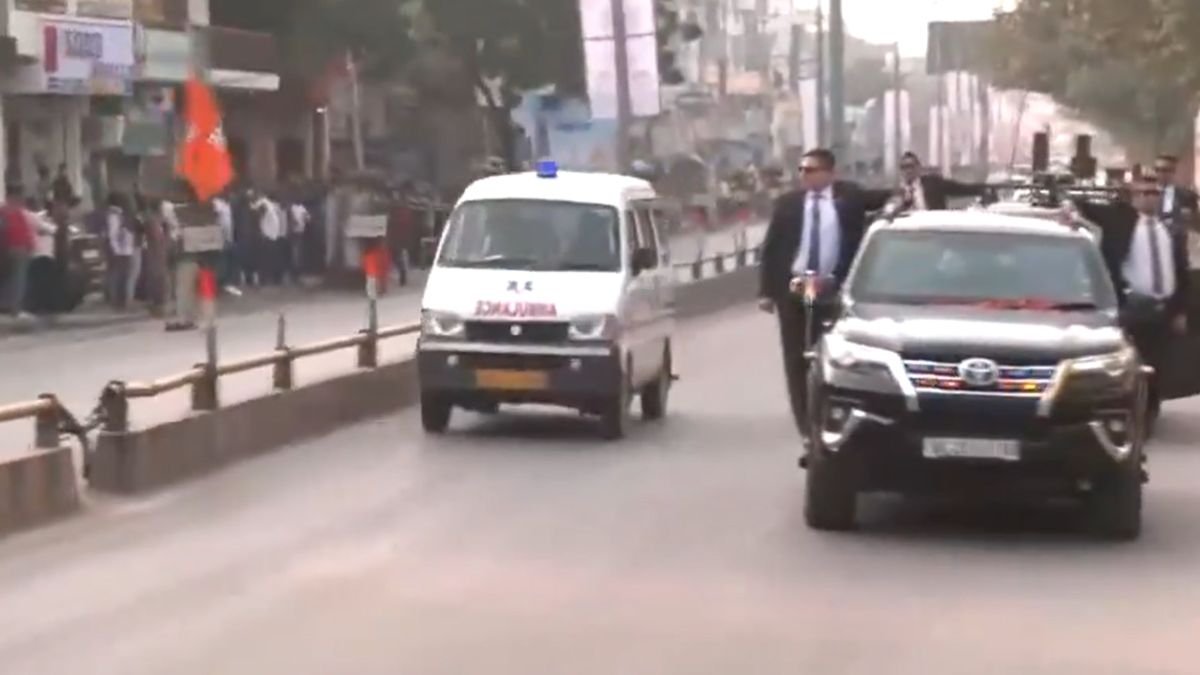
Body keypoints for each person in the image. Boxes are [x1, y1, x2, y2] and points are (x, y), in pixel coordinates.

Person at [758, 148, 891, 434]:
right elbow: (771, 249)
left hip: (831, 287)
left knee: (828, 351)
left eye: (812, 170)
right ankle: (805, 425)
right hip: (797, 286)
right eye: (802, 170)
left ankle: (828, 413)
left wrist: (910, 191)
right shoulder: (788, 204)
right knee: (796, 355)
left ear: (830, 174)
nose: (805, 175)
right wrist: (767, 291)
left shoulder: (849, 199)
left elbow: (889, 198)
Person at [1069, 176, 1189, 422]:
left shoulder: (1169, 230)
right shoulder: (1122, 222)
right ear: (1133, 197)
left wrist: (1180, 310)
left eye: (1154, 193)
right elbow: (1087, 208)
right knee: (1132, 363)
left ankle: (1150, 411)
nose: (1149, 198)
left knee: (1159, 365)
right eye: (1143, 193)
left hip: (1163, 308)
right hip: (1133, 305)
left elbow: (1181, 271)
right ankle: (1132, 412)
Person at [895, 152, 987, 211]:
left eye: (911, 166)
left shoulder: (933, 183)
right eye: (904, 167)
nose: (908, 170)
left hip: (935, 229)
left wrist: (983, 190)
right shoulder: (898, 191)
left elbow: (960, 188)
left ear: (919, 167)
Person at [1, 187, 39, 319]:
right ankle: (15, 309)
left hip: (18, 248)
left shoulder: (15, 212)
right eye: (19, 197)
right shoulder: (8, 213)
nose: (21, 200)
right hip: (15, 248)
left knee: (15, 280)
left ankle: (12, 307)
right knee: (18, 280)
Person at [1152, 154, 1198, 233]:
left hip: (1179, 241)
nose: (1160, 173)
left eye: (1165, 170)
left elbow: (1195, 224)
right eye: (1157, 169)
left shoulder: (1187, 196)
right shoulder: (1148, 195)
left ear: (1174, 172)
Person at [106, 194, 137, 310]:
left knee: (122, 276)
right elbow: (113, 234)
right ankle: (119, 303)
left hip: (124, 249)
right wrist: (116, 249)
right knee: (120, 277)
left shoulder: (117, 215)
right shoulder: (114, 216)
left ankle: (120, 302)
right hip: (121, 251)